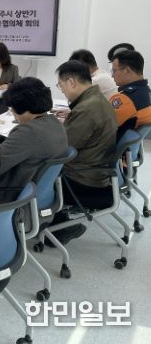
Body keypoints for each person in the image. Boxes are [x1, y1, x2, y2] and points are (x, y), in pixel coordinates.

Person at [53, 60, 117, 245]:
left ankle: (59, 228)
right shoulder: (96, 100)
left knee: (34, 175)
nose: (62, 90)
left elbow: (62, 149)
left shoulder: (87, 108)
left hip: (82, 179)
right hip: (95, 172)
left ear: (71, 82)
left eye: (61, 85)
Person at [0, 78, 68, 202]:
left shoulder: (27, 132)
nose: (12, 111)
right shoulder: (55, 123)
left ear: (23, 108)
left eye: (12, 108)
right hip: (36, 194)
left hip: (11, 196)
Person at [109, 50, 151, 138]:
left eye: (114, 71)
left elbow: (101, 127)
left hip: (107, 145)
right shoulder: (146, 92)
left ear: (127, 70)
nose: (112, 76)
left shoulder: (125, 99)